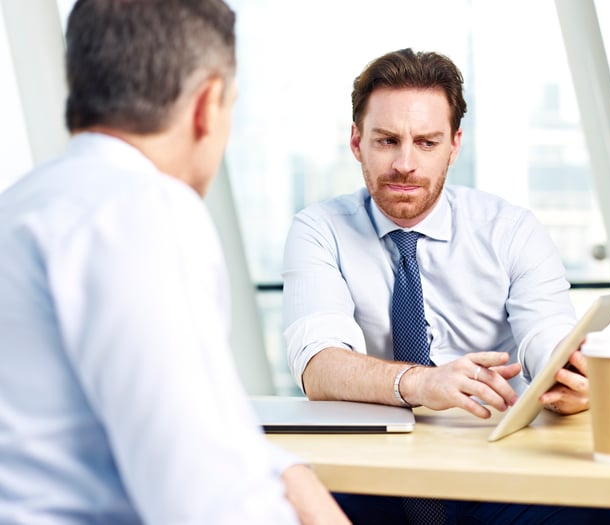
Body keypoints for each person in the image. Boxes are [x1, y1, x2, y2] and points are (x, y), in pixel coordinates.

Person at [0, 1, 349, 524]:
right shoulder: (143, 210)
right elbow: (205, 503)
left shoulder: (22, 207)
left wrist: (284, 469)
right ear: (207, 105)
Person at [282, 48, 610, 524]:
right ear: (356, 142)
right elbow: (319, 366)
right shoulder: (319, 230)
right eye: (387, 140)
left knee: (606, 518)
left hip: (497, 470)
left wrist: (570, 374)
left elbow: (545, 331)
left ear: (454, 144)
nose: (405, 164)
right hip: (373, 477)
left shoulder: (510, 229)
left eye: (426, 143)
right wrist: (423, 382)